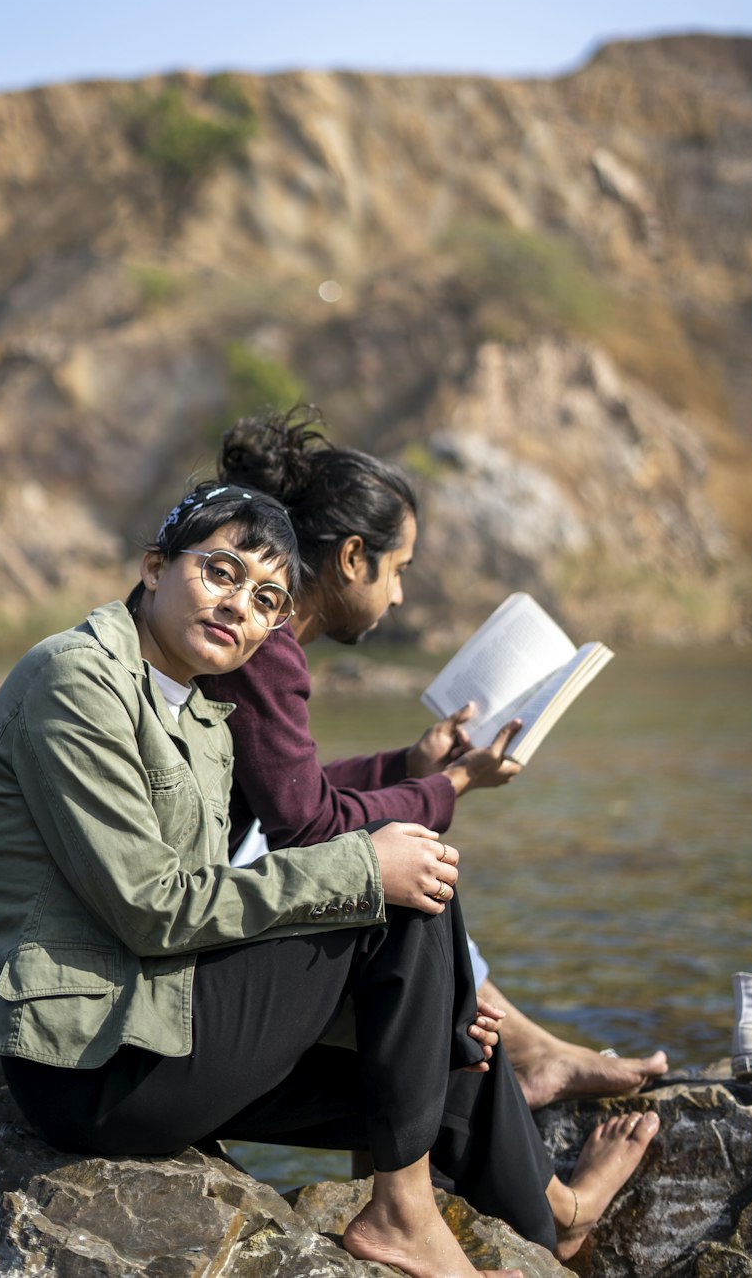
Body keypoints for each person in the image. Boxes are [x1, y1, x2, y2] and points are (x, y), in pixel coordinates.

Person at [0, 481, 547, 1278]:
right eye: (222, 574)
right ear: (156, 567)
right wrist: (365, 869)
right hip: (95, 1068)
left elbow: (283, 821)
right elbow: (154, 909)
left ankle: (553, 1243)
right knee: (396, 886)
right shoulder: (75, 681)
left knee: (447, 1065)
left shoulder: (199, 717)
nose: (241, 605)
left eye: (267, 597)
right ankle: (404, 1215)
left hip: (159, 1023)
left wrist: (422, 1013)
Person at [204, 410, 664, 1216]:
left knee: (417, 921)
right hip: (196, 953)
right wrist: (450, 789)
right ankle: (539, 1193)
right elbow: (306, 825)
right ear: (352, 559)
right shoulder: (264, 644)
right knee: (413, 889)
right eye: (399, 569)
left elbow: (288, 790)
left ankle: (524, 1155)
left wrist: (413, 768)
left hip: (215, 906)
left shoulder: (259, 640)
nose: (401, 591)